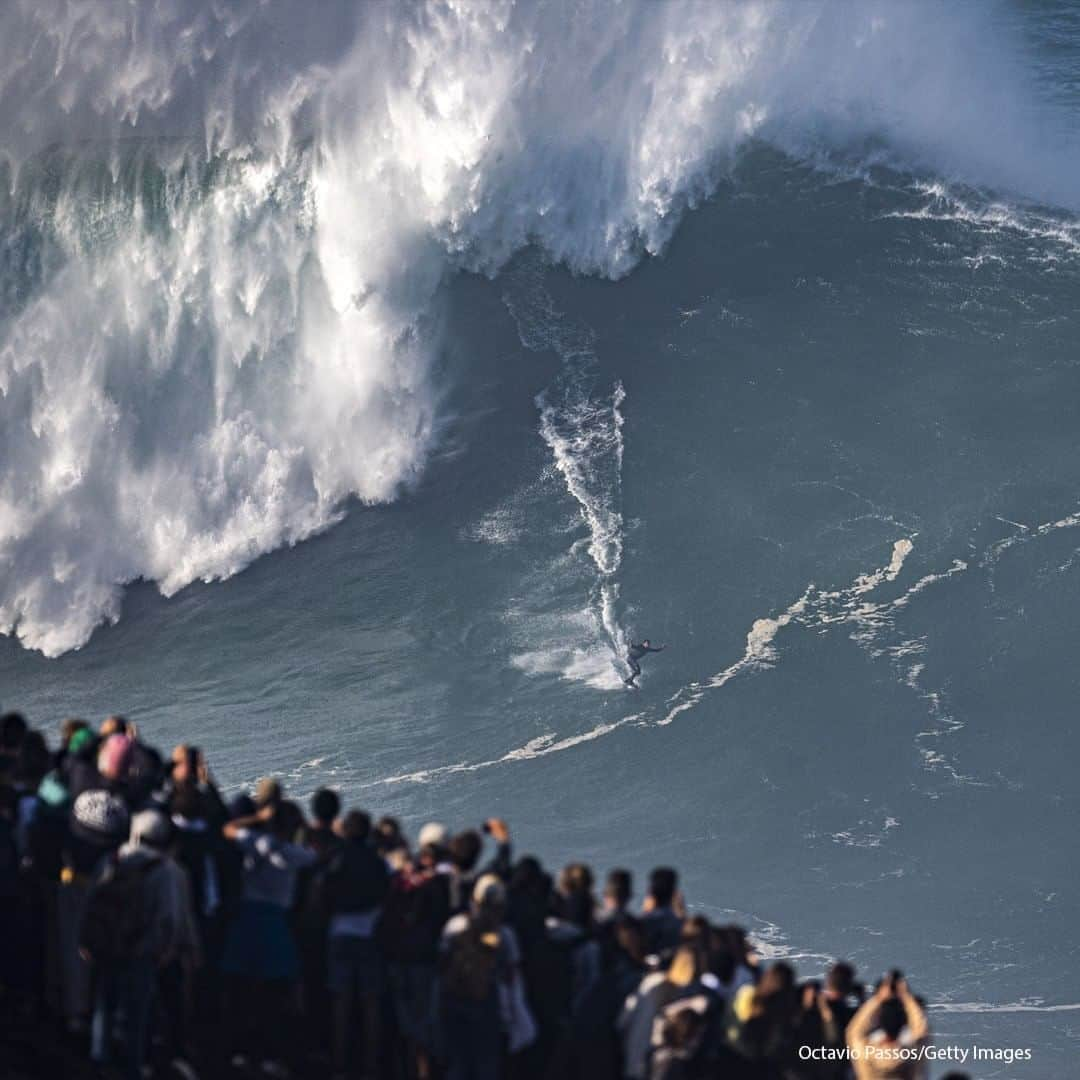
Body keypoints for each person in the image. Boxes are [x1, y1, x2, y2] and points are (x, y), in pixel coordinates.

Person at [322, 809, 391, 1080]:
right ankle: (371, 1063)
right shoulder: (377, 861)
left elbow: (325, 890)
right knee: (370, 1002)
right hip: (368, 933)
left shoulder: (337, 858)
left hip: (339, 932)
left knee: (341, 1000)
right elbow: (386, 894)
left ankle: (340, 1062)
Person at [846, 972, 930, 1080]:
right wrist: (906, 997)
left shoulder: (868, 1054)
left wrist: (878, 998)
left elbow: (854, 1033)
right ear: (903, 1024)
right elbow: (921, 1033)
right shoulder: (910, 1056)